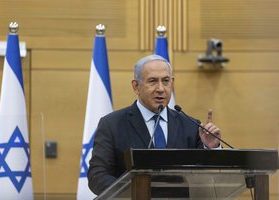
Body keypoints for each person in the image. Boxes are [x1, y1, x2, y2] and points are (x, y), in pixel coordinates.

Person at [87, 54, 221, 195]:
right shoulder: (112, 124)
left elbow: (211, 175)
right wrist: (134, 193)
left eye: (166, 81)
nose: (161, 88)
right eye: (152, 81)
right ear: (136, 86)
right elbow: (97, 176)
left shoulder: (191, 126)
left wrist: (211, 148)